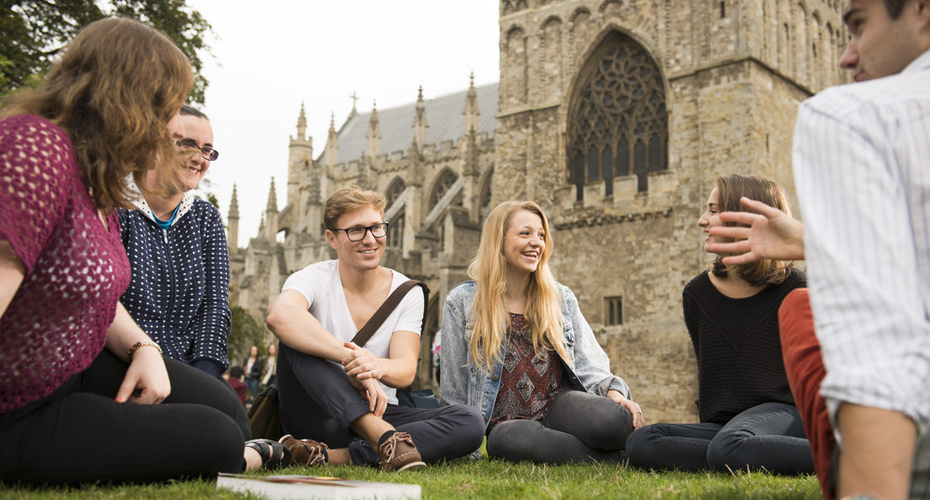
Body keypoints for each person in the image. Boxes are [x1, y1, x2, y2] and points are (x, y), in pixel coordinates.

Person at [0, 17, 282, 483]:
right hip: (19, 406)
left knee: (224, 406)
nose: (172, 126)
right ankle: (252, 457)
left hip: (79, 368)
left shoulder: (96, 181)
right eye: (168, 109)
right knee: (217, 437)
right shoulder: (37, 148)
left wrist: (143, 348)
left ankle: (243, 451)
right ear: (127, 98)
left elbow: (98, 296)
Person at [711, 2, 930, 498]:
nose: (846, 57)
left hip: (908, 441)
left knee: (801, 308)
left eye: (857, 26)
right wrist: (820, 242)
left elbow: (877, 345)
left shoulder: (849, 115)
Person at [265, 186, 484, 472]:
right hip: (316, 414)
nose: (370, 240)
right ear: (332, 238)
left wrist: (376, 368)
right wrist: (351, 361)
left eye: (377, 228)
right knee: (295, 340)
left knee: (469, 422)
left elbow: (405, 370)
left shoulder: (407, 291)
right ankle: (383, 439)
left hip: (381, 411)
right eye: (356, 230)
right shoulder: (313, 278)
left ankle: (332, 456)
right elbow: (279, 316)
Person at [626, 175, 813, 475]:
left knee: (728, 445)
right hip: (725, 428)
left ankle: (843, 458)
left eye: (713, 210)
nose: (702, 221)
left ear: (746, 220)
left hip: (786, 417)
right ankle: (736, 454)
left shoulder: (796, 288)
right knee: (643, 441)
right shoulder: (697, 294)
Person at [440, 200, 642, 464]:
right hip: (506, 425)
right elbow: (453, 390)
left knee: (615, 420)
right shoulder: (462, 302)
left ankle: (601, 448)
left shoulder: (560, 297)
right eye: (525, 233)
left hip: (559, 405)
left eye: (541, 235)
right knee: (516, 441)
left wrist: (614, 393)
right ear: (498, 240)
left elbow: (589, 361)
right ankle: (620, 459)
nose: (536, 242)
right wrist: (462, 447)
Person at [118, 105, 230, 379]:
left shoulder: (205, 218)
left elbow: (215, 306)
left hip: (186, 367)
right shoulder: (115, 205)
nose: (199, 158)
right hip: (121, 358)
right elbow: (104, 298)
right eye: (188, 144)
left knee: (226, 409)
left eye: (207, 151)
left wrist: (205, 372)